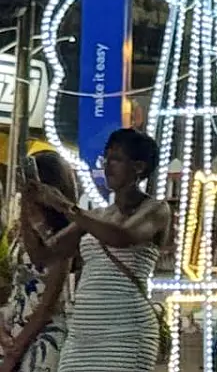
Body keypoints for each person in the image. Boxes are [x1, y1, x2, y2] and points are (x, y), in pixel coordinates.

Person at [23, 129, 172, 372]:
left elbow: (121, 236)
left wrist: (64, 205)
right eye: (106, 158)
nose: (107, 166)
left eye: (116, 159)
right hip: (83, 334)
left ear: (138, 167)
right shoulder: (96, 216)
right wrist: (31, 214)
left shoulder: (156, 210)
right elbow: (45, 255)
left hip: (126, 331)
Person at [0, 151, 76, 372]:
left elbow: (50, 301)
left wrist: (15, 351)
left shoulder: (65, 233)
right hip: (12, 325)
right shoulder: (20, 228)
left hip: (42, 332)